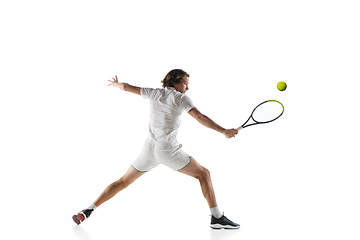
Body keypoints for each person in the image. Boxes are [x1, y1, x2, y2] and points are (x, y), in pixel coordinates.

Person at [72, 69, 240, 229]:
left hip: (149, 149)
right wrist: (223, 130)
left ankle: (88, 210)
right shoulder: (180, 98)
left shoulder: (154, 93)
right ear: (175, 83)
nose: (187, 88)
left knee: (123, 182)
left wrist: (116, 84)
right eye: (185, 83)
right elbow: (199, 117)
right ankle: (217, 218)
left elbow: (126, 87)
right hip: (167, 150)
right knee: (204, 174)